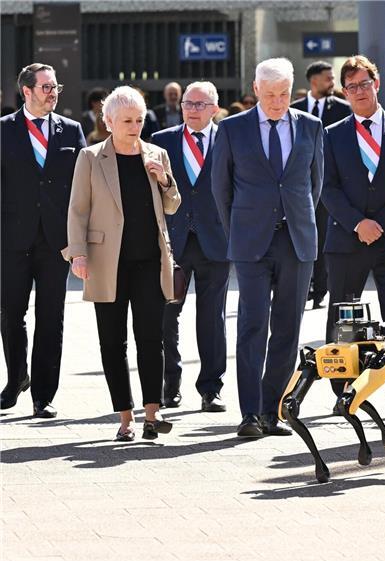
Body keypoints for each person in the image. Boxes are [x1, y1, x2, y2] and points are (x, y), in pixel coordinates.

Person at [211, 58, 324, 438]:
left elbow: (314, 185)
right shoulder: (231, 129)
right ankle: (248, 414)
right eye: (270, 94)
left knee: (288, 329)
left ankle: (271, 412)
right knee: (252, 324)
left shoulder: (310, 126)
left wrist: (297, 221)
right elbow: (220, 189)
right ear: (256, 89)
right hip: (250, 241)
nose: (277, 102)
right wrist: (239, 231)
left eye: (285, 94)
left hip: (296, 241)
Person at [65, 86, 181, 441]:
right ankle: (125, 418)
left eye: (139, 119)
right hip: (106, 262)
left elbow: (173, 204)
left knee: (151, 338)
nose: (134, 126)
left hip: (149, 261)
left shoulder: (157, 153)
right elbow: (78, 208)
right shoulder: (90, 156)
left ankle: (152, 413)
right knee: (112, 342)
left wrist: (163, 178)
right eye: (127, 120)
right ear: (109, 121)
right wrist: (77, 252)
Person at [322, 55, 385, 420]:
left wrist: (380, 221)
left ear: (377, 84)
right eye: (351, 87)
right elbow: (327, 188)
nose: (359, 92)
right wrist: (357, 223)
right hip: (346, 241)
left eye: (365, 84)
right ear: (344, 92)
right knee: (343, 321)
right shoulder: (331, 134)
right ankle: (343, 391)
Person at [0, 63, 86, 418]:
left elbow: (84, 187)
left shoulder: (71, 130)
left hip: (57, 241)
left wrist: (81, 241)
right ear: (27, 91)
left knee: (52, 317)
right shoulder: (3, 130)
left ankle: (43, 395)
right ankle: (16, 377)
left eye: (55, 87)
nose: (53, 93)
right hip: (11, 240)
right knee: (9, 315)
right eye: (47, 87)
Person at [152, 81, 230, 413]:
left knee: (212, 318)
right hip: (174, 241)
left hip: (217, 241)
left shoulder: (229, 139)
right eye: (189, 103)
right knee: (166, 316)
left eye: (201, 104)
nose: (193, 110)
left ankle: (211, 388)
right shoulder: (161, 141)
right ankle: (170, 386)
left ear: (215, 108)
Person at [292, 61, 352, 310]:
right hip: (298, 186)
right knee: (301, 235)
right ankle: (303, 287)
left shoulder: (342, 109)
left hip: (329, 184)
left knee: (324, 236)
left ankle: (321, 289)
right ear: (313, 80)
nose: (332, 82)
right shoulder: (292, 110)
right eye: (328, 78)